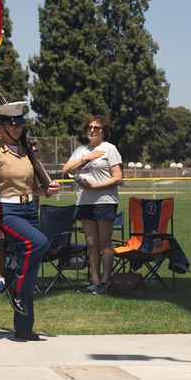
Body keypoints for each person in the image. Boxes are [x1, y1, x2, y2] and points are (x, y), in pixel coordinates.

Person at [0, 101, 62, 340]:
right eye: (10, 124)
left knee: (31, 268)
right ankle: (14, 287)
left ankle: (24, 327)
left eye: (19, 124)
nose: (16, 128)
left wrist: (48, 190)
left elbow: (31, 188)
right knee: (38, 242)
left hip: (28, 209)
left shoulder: (27, 151)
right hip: (6, 211)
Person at [62, 115, 123, 295]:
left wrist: (95, 186)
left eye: (97, 128)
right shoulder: (81, 150)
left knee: (105, 242)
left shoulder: (109, 149)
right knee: (90, 243)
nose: (92, 130)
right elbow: (66, 170)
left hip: (104, 201)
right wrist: (86, 158)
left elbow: (118, 177)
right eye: (90, 127)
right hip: (84, 202)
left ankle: (105, 282)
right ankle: (94, 281)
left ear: (104, 131)